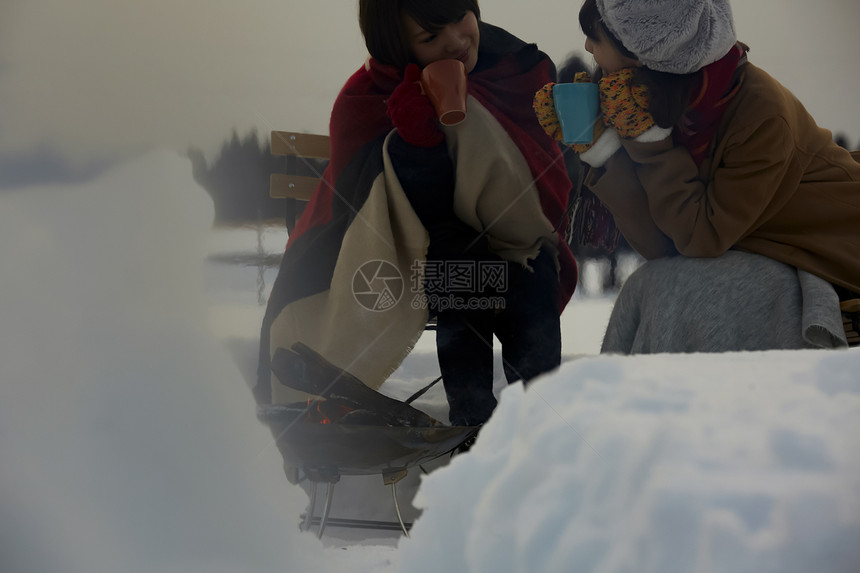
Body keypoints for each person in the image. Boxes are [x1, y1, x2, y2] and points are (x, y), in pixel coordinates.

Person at [257, 0, 578, 427]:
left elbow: (545, 176)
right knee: (462, 273)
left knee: (533, 273)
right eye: (430, 38)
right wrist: (418, 143)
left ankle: (543, 418)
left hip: (512, 247)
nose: (456, 40)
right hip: (417, 260)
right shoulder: (369, 98)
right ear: (398, 46)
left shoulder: (520, 70)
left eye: (459, 17)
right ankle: (473, 420)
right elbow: (373, 203)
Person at [534, 0, 860, 353]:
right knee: (650, 285)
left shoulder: (760, 113)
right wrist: (601, 148)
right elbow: (662, 245)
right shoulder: (654, 102)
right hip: (760, 249)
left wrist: (651, 143)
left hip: (832, 248)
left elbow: (700, 239)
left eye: (595, 37)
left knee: (677, 290)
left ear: (642, 50)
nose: (587, 48)